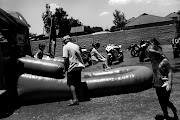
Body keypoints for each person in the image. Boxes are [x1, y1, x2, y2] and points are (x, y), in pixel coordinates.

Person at [146, 38, 178, 120]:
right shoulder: (152, 61)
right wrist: (153, 81)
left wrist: (169, 84)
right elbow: (155, 72)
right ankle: (166, 115)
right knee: (161, 101)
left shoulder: (164, 61)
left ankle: (174, 110)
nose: (149, 56)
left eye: (150, 55)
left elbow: (170, 72)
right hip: (157, 84)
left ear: (155, 53)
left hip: (165, 84)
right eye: (148, 55)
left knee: (166, 101)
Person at [62, 35, 85, 106]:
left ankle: (75, 99)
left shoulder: (65, 47)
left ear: (65, 40)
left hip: (72, 67)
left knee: (71, 83)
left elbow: (65, 58)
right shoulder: (76, 46)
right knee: (78, 82)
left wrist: (65, 68)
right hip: (79, 65)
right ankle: (81, 97)